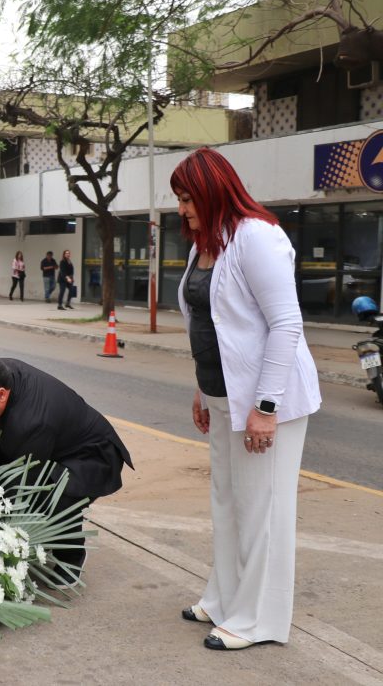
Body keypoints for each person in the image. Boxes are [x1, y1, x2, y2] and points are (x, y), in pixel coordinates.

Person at [172, 148, 320, 651]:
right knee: (229, 503)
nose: (182, 209)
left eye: (188, 198)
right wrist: (203, 386)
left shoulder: (257, 237)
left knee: (262, 510)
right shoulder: (205, 244)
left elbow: (286, 324)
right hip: (222, 397)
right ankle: (224, 598)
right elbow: (213, 326)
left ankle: (257, 620)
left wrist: (266, 407)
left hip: (266, 403)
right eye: (179, 199)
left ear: (214, 192)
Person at [0, 353, 133, 588]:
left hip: (90, 456)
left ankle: (71, 555)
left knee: (51, 493)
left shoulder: (29, 422)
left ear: (1, 395)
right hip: (48, 443)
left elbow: (23, 483)